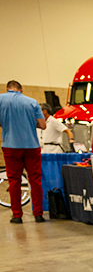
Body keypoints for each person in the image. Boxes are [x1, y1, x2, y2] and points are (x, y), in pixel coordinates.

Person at [0, 80, 46, 223]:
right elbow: (43, 125)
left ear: (8, 89)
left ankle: (17, 215)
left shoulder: (1, 99)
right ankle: (38, 214)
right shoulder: (32, 102)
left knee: (14, 181)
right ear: (21, 89)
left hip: (10, 146)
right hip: (31, 146)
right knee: (35, 180)